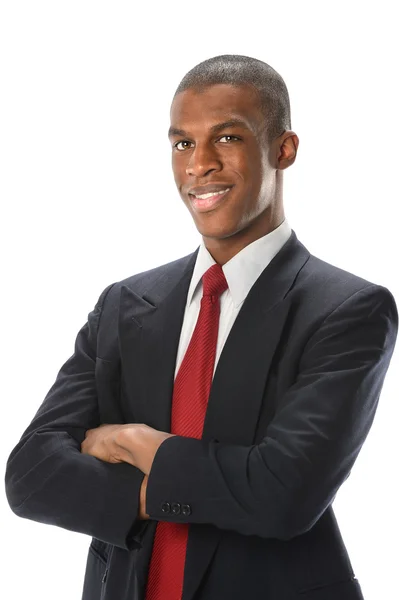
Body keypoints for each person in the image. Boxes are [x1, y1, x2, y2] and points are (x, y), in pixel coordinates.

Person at [5, 54, 398, 600]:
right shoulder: (124, 303)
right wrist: (185, 485)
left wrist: (136, 443)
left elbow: (283, 495)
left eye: (228, 138)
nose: (200, 165)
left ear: (283, 149)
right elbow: (30, 477)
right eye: (183, 144)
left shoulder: (347, 310)